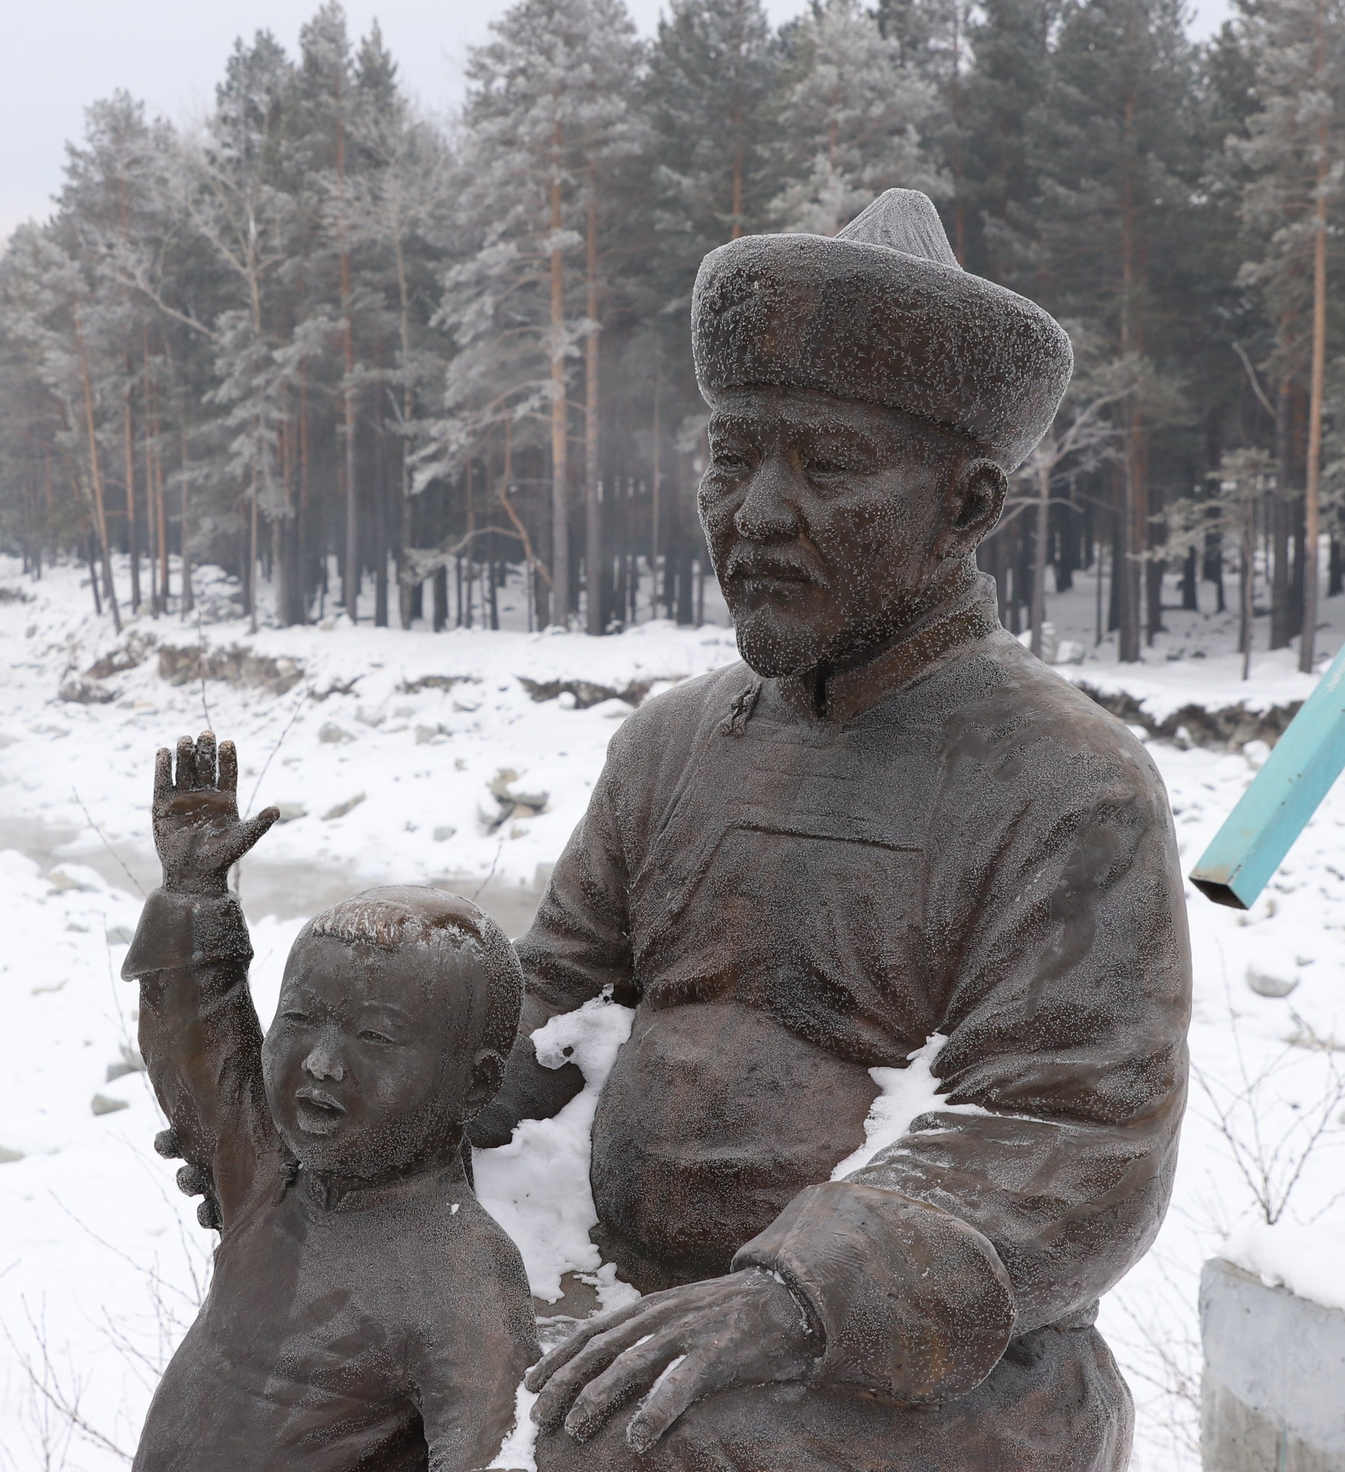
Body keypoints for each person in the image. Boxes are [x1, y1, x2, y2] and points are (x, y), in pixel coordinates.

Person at [477, 190, 1194, 1470]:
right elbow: (551, 1013)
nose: (755, 512)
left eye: (827, 465)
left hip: (926, 1384)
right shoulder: (669, 746)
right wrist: (366, 1071)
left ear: (968, 504)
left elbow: (1074, 1134)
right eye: (732, 456)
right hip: (636, 1301)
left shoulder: (1065, 782)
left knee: (639, 1446)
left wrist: (794, 1301)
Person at [125, 730, 538, 1472]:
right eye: (303, 1020)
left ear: (473, 1083)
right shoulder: (273, 1179)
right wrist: (193, 898)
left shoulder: (460, 1274)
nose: (320, 1063)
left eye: (375, 1037)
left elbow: (495, 1450)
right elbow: (202, 1058)